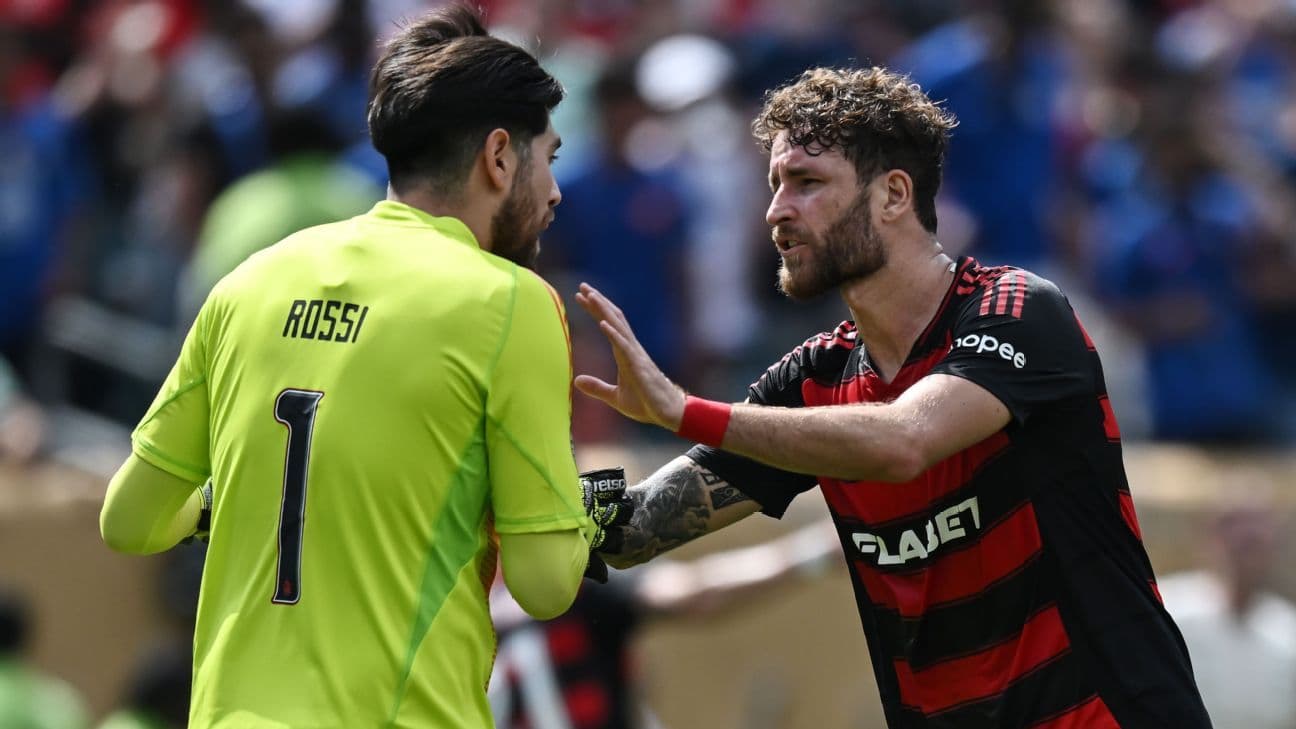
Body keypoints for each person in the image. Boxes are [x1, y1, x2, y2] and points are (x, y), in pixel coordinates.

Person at [574, 66, 1214, 728]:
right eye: (774, 185)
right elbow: (635, 529)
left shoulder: (1017, 308)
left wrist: (683, 411)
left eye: (807, 183)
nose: (776, 211)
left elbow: (905, 440)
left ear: (893, 194)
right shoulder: (813, 380)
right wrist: (527, 488)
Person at [100, 6, 612, 726]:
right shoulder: (511, 302)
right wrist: (584, 518)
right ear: (499, 156)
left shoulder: (249, 281)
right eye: (549, 159)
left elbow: (130, 519)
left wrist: (238, 505)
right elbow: (545, 582)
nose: (555, 191)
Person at [1158, 487, 1296, 729]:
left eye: (1258, 524)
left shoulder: (1287, 632)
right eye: (1233, 523)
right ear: (1210, 536)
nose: (1247, 533)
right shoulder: (1168, 610)